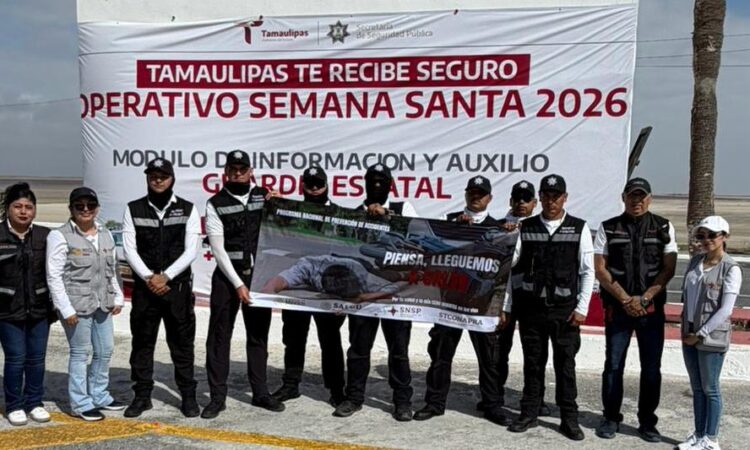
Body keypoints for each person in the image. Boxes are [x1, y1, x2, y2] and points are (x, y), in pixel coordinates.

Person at [414, 175, 514, 425]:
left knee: (489, 358)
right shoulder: (449, 221)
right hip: (450, 301)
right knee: (440, 354)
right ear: (466, 195)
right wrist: (456, 229)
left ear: (489, 198)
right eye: (472, 193)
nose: (476, 197)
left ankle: (492, 405)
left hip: (482, 302)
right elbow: (431, 251)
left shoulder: (499, 228)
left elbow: (507, 269)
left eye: (481, 194)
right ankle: (434, 403)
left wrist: (502, 306)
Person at [503, 174, 594, 440]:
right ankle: (529, 413)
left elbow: (588, 271)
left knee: (565, 366)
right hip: (531, 309)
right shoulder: (526, 227)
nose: (551, 201)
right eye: (546, 196)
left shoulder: (578, 228)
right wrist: (506, 236)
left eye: (556, 196)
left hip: (564, 311)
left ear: (565, 198)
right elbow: (511, 265)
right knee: (533, 364)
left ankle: (569, 419)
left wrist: (582, 308)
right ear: (540, 198)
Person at [593, 177, 677, 442]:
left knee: (651, 368)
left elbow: (669, 268)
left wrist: (646, 298)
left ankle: (647, 422)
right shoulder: (608, 227)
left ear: (649, 199)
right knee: (613, 365)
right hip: (618, 309)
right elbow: (600, 269)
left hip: (651, 311)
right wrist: (626, 299)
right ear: (624, 198)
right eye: (632, 196)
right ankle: (610, 417)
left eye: (641, 196)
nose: (636, 201)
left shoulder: (664, 226)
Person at [202, 150, 283, 419]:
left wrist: (280, 205)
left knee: (258, 336)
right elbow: (218, 249)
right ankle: (217, 398)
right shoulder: (215, 203)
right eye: (233, 169)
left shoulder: (264, 196)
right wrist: (238, 284)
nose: (238, 173)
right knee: (219, 337)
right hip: (228, 278)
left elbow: (283, 228)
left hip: (258, 277)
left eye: (242, 169)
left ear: (251, 171)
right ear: (226, 171)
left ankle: (260, 393)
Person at [333, 163, 417, 421]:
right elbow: (344, 245)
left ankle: (402, 401)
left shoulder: (404, 208)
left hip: (396, 293)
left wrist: (388, 216)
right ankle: (353, 398)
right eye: (372, 181)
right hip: (363, 290)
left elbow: (416, 237)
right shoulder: (353, 214)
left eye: (382, 181)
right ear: (365, 184)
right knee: (358, 348)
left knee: (399, 350)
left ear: (391, 185)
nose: (377, 185)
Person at [121, 158, 201, 418]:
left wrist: (166, 277)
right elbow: (129, 249)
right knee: (142, 344)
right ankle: (142, 396)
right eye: (153, 175)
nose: (158, 180)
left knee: (182, 346)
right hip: (146, 289)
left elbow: (191, 250)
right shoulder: (133, 208)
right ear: (147, 178)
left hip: (176, 289)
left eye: (163, 176)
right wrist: (149, 277)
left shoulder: (188, 209)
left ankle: (188, 396)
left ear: (172, 178)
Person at [46, 187, 126, 421]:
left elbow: (112, 269)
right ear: (71, 209)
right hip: (76, 305)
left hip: (102, 303)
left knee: (105, 350)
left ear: (97, 208)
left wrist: (118, 296)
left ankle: (99, 395)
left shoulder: (105, 234)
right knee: (80, 353)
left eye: (90, 205)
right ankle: (80, 403)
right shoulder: (59, 236)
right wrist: (65, 309)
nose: (85, 210)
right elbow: (54, 275)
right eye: (79, 206)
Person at [271, 167, 348, 407]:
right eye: (310, 184)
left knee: (330, 340)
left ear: (327, 185)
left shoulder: (341, 215)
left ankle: (337, 389)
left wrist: (344, 295)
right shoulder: (291, 212)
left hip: (328, 286)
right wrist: (274, 205)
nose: (314, 189)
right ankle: (290, 384)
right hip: (300, 282)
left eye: (318, 184)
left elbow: (347, 255)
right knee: (293, 337)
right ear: (302, 186)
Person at [483, 180, 552, 417]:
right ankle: (493, 397)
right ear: (511, 201)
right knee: (498, 352)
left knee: (535, 354)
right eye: (518, 199)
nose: (522, 203)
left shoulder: (542, 227)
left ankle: (536, 399)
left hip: (532, 300)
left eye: (526, 199)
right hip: (503, 298)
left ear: (535, 202)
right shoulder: (496, 226)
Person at [676, 216, 742, 450]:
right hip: (689, 332)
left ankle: (711, 439)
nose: (706, 240)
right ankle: (698, 433)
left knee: (710, 388)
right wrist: (688, 330)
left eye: (712, 235)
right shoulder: (695, 262)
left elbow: (726, 310)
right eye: (702, 235)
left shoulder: (730, 268)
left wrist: (701, 333)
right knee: (697, 388)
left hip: (710, 337)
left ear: (724, 237)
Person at [0, 183, 54, 426]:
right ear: (8, 208)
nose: (23, 211)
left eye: (28, 207)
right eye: (18, 206)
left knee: (37, 359)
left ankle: (34, 402)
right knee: (16, 358)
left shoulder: (45, 236)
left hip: (39, 309)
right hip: (7, 311)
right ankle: (14, 405)